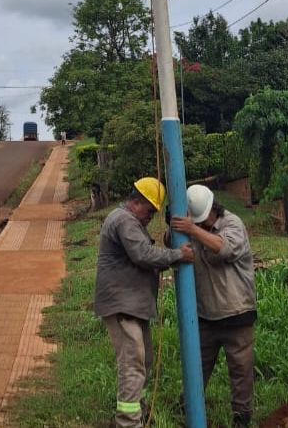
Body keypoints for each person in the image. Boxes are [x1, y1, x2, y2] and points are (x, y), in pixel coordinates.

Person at [94, 177, 194, 428]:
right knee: (132, 364)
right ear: (137, 202)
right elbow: (142, 254)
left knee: (142, 362)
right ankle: (128, 422)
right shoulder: (125, 221)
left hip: (132, 306)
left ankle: (136, 410)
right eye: (150, 211)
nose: (151, 216)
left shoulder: (131, 221)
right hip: (122, 305)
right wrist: (178, 255)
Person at [170, 183, 256, 428]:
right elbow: (171, 244)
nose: (202, 223)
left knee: (241, 372)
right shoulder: (194, 228)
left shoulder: (233, 224)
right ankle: (187, 406)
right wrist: (175, 231)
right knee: (197, 365)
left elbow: (223, 247)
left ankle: (242, 417)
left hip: (237, 313)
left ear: (214, 209)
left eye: (204, 219)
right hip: (206, 315)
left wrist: (193, 231)